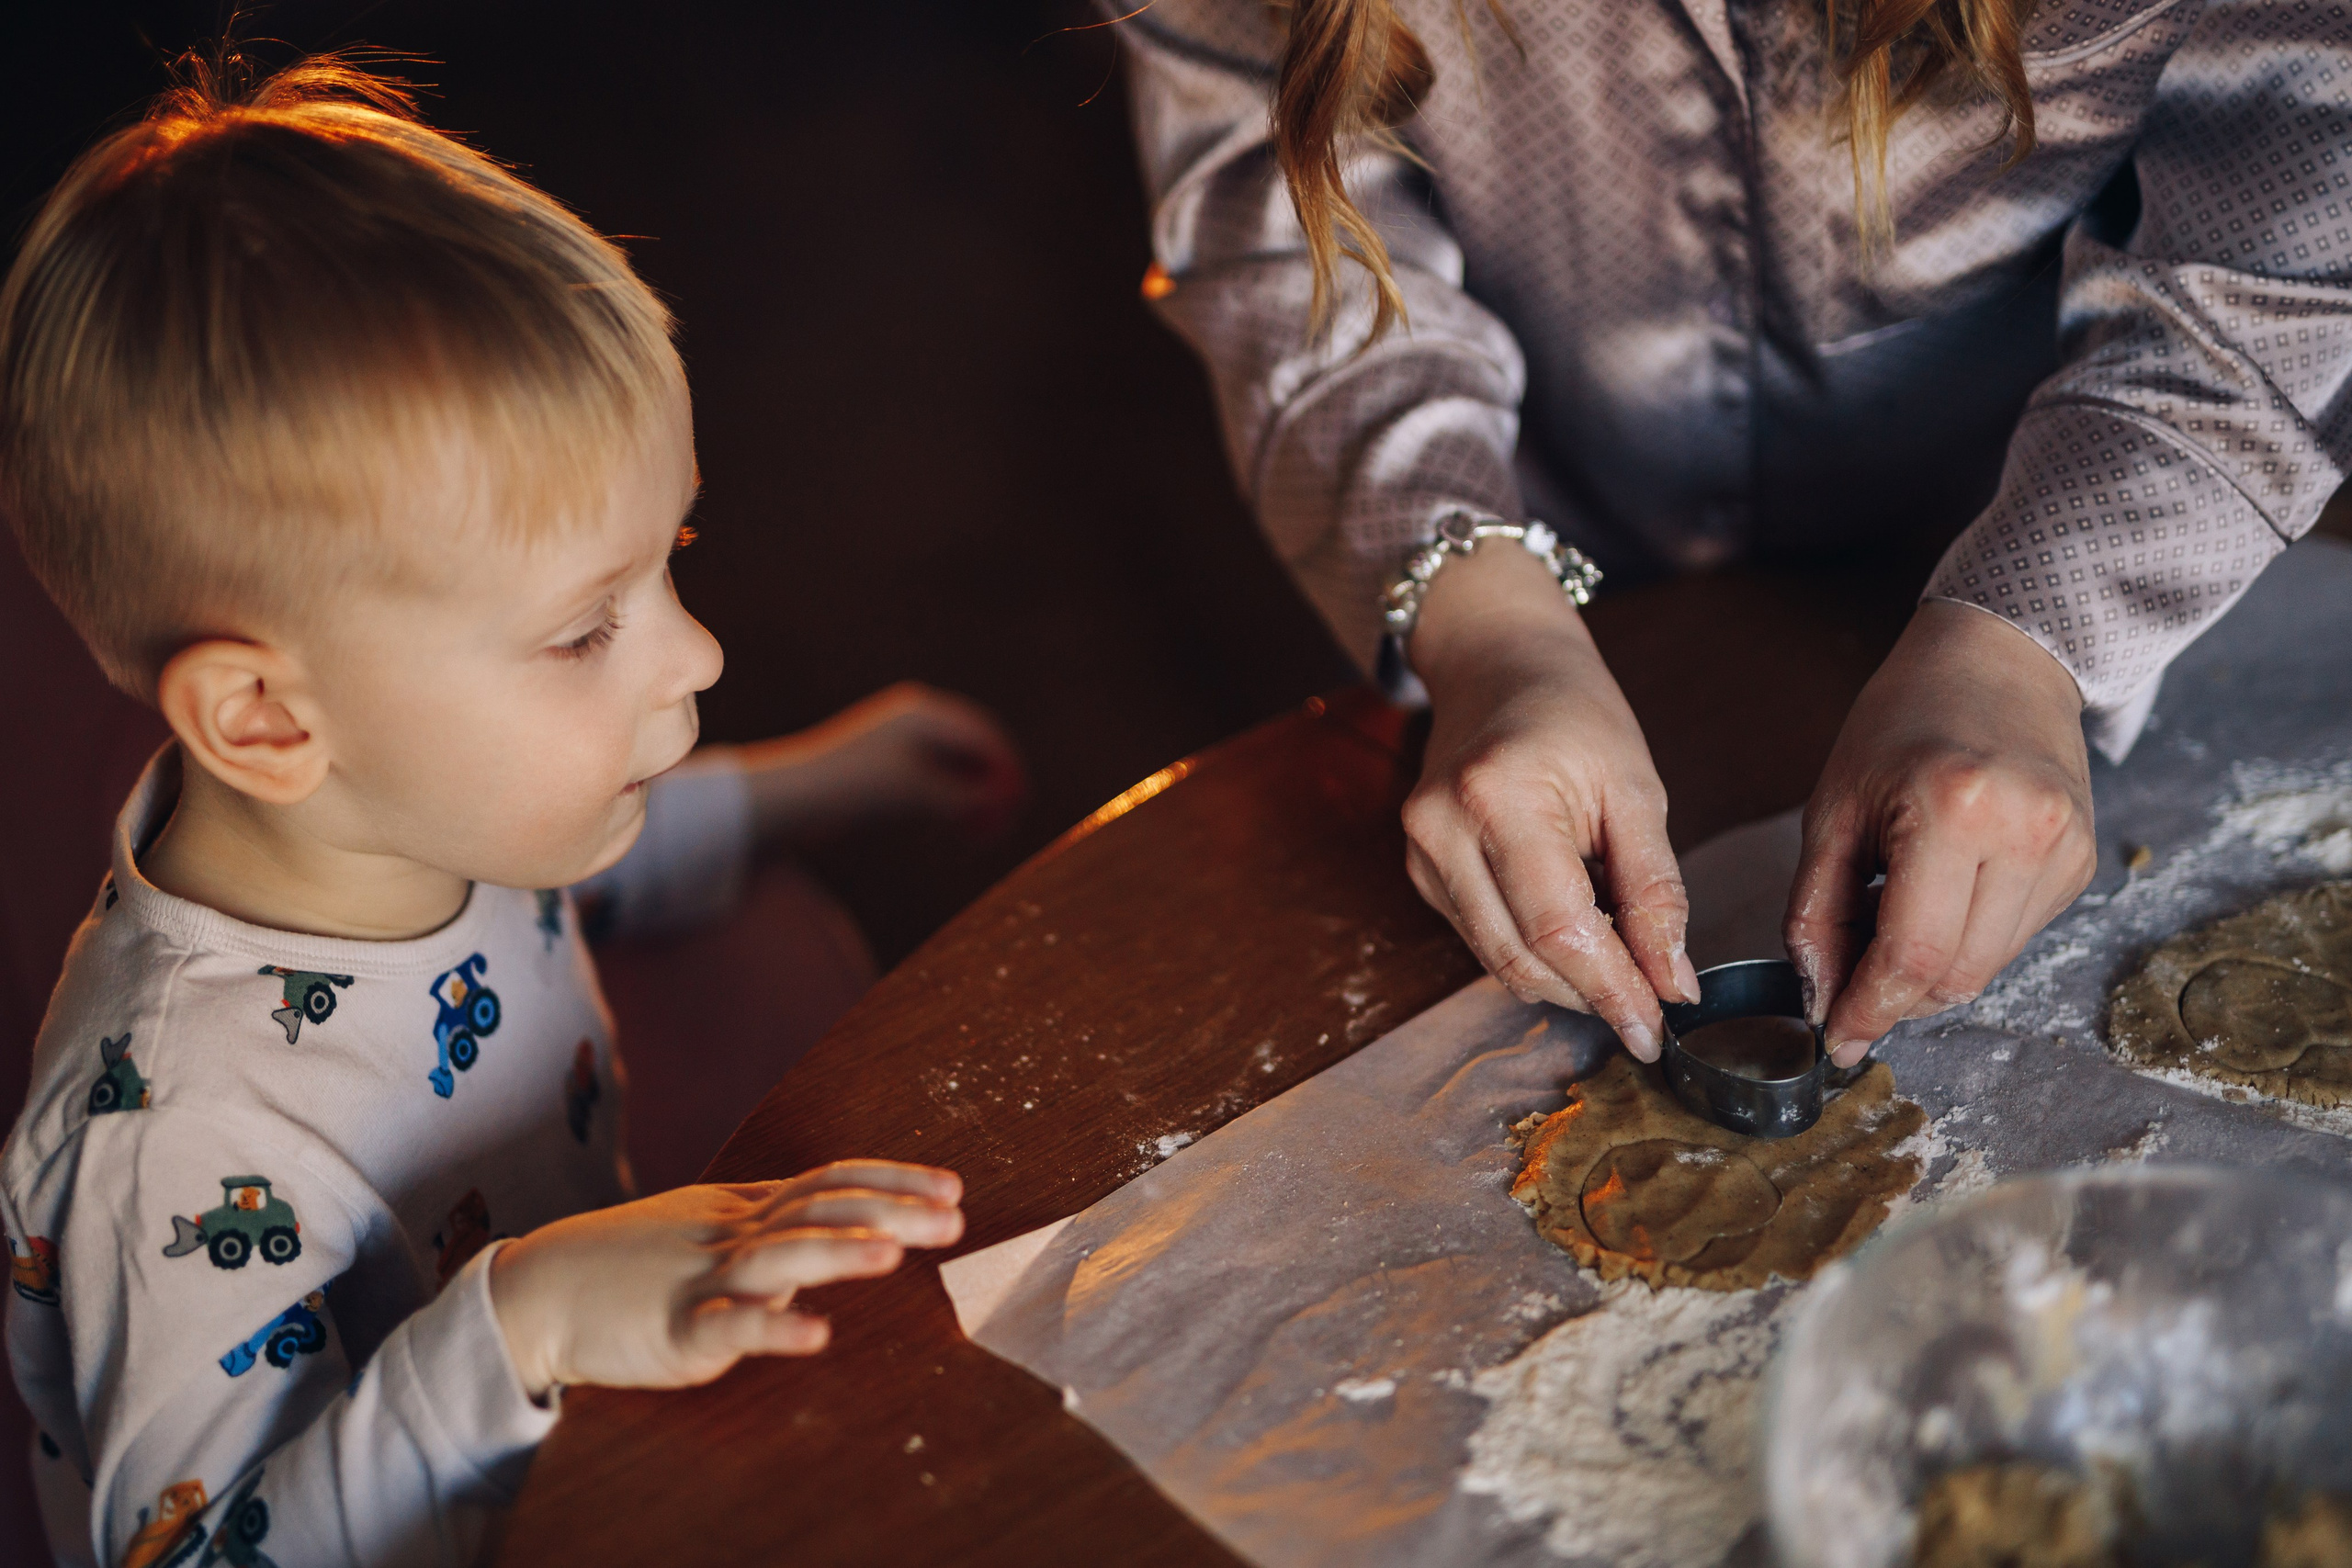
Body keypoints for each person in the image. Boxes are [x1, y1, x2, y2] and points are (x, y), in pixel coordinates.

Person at [0, 52, 1022, 1568]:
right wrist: (523, 1323)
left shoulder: (403, 807)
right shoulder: (178, 1139)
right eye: (582, 629)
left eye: (666, 557)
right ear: (270, 719)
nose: (701, 653)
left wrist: (810, 786)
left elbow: (568, 867)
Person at [1115, 0, 2351, 1066]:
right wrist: (1489, 625)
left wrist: (2027, 639)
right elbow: (1283, 232)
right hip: (1553, 527)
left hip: (2031, 520)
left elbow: (2278, 237)